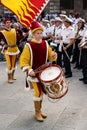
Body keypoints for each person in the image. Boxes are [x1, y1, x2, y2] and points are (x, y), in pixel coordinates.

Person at [20, 21, 57, 122]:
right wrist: (29, 69)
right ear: (33, 33)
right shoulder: (29, 46)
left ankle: (39, 110)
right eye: (37, 33)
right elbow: (23, 61)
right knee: (38, 93)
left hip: (43, 73)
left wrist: (53, 55)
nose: (40, 35)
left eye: (41, 33)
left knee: (41, 93)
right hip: (33, 74)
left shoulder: (45, 43)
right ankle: (37, 112)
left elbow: (50, 55)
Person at [0, 18, 20, 83]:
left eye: (9, 22)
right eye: (7, 22)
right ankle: (9, 78)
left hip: (14, 49)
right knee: (9, 64)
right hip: (7, 50)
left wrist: (21, 34)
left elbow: (19, 38)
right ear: (5, 24)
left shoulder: (14, 30)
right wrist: (3, 45)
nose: (8, 24)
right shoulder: (2, 32)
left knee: (14, 64)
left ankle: (12, 76)